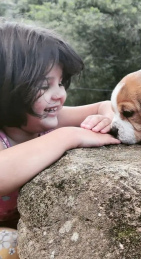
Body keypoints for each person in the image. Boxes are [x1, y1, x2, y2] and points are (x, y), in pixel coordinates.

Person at [0, 22, 120, 258]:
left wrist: (105, 119)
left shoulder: (47, 118)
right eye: (45, 86)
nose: (60, 94)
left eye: (61, 82)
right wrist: (68, 135)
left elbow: (104, 105)